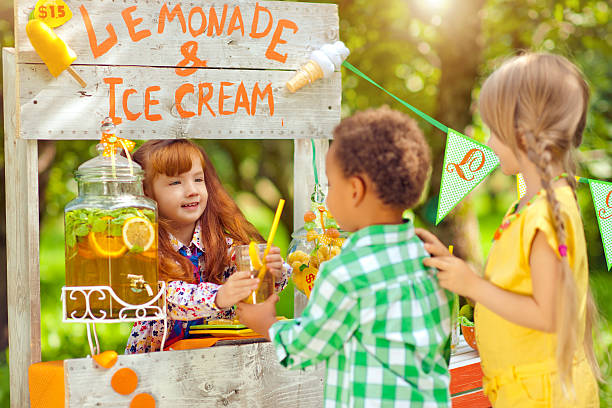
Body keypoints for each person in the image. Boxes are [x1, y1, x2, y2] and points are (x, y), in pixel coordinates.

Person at [417, 53, 601, 407]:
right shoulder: (528, 207)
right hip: (524, 393)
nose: (487, 140)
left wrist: (471, 285)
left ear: (520, 134)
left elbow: (547, 315)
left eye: (491, 128)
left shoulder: (546, 213)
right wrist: (461, 275)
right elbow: (517, 291)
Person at [238, 107, 453, 407]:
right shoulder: (432, 259)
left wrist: (267, 324)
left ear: (355, 190)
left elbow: (307, 346)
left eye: (330, 185)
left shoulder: (345, 273)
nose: (326, 197)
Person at [125, 139, 290, 353]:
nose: (192, 190)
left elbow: (251, 285)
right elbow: (166, 298)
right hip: (158, 363)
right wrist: (219, 296)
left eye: (198, 179)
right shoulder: (145, 247)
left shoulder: (219, 244)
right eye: (176, 182)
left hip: (216, 360)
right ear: (145, 192)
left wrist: (273, 271)